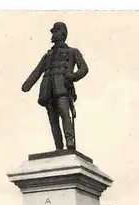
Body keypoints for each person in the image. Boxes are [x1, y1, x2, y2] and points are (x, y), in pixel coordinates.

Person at [21, 22, 89, 150]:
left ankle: (70, 142)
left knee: (65, 114)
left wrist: (74, 76)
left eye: (56, 32)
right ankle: (58, 146)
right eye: (53, 32)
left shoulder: (72, 52)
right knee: (53, 120)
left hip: (63, 88)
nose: (53, 35)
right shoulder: (48, 55)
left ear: (63, 34)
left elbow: (84, 68)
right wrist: (27, 85)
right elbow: (37, 71)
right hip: (48, 90)